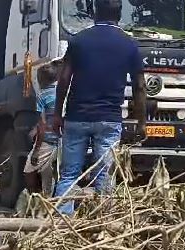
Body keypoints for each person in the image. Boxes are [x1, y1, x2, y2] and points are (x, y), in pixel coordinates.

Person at [52, 0, 147, 216]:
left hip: (76, 117)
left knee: (69, 174)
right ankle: (102, 222)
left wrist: (57, 114)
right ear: (119, 15)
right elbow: (140, 86)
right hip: (109, 119)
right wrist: (142, 122)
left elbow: (64, 79)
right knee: (105, 173)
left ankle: (60, 223)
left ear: (94, 13)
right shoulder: (129, 44)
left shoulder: (78, 40)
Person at [24, 61, 62, 197]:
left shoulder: (42, 96)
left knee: (29, 170)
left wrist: (36, 150)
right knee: (49, 174)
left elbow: (42, 126)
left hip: (48, 140)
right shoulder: (63, 93)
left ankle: (34, 199)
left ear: (41, 79)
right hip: (63, 140)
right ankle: (49, 199)